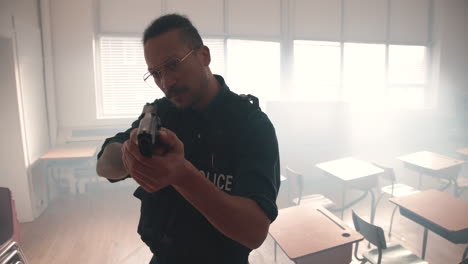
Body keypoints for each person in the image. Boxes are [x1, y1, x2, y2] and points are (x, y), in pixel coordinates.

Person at [96, 13, 280, 264]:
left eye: (173, 64)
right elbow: (104, 163)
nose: (166, 82)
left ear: (203, 56)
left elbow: (254, 231)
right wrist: (132, 155)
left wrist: (183, 175)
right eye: (156, 74)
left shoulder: (251, 125)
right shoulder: (160, 113)